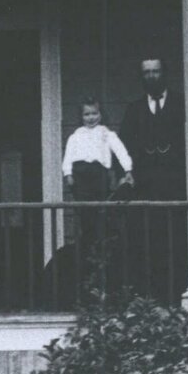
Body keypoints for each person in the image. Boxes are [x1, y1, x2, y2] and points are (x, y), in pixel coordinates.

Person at [116, 57, 188, 301]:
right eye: (146, 72)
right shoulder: (134, 110)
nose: (151, 77)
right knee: (147, 246)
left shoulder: (183, 104)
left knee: (175, 245)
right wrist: (125, 174)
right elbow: (121, 147)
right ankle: (149, 301)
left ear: (164, 73)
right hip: (145, 191)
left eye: (156, 71)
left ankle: (175, 299)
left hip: (175, 190)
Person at [63, 97, 134, 299]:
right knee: (86, 214)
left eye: (94, 113)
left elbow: (120, 151)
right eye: (86, 114)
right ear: (81, 116)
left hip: (99, 174)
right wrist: (68, 173)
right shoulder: (76, 136)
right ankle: (88, 236)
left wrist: (127, 169)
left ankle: (97, 241)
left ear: (101, 114)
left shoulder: (106, 134)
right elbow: (68, 156)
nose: (91, 117)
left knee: (100, 212)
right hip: (80, 174)